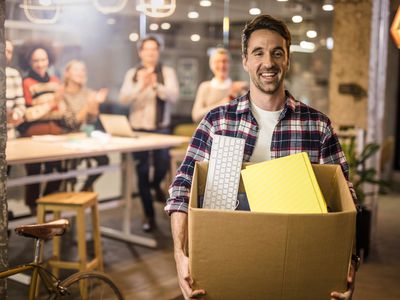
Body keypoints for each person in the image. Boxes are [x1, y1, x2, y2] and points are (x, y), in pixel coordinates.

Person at [165, 15, 358, 300]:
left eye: (277, 53)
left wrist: (348, 263)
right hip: (226, 263)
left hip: (298, 266)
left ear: (288, 59)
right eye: (258, 52)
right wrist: (180, 255)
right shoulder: (217, 122)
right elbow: (182, 189)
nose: (268, 63)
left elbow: (345, 199)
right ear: (245, 60)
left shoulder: (317, 126)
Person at [119, 36, 179, 232]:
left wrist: (155, 86)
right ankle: (149, 216)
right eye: (147, 49)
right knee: (142, 172)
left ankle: (156, 185)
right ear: (140, 52)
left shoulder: (167, 72)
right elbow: (123, 99)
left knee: (162, 164)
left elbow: (174, 96)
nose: (150, 53)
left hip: (161, 128)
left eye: (154, 49)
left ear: (158, 52)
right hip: (138, 130)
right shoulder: (132, 73)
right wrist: (140, 86)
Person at [18, 41, 74, 214]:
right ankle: (33, 208)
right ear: (29, 61)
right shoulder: (26, 82)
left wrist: (63, 108)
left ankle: (46, 204)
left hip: (55, 133)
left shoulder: (56, 81)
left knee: (58, 171)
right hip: (33, 134)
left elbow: (59, 110)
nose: (40, 63)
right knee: (34, 173)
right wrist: (51, 104)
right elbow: (27, 113)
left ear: (49, 60)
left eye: (44, 59)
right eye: (36, 60)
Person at [62, 59, 110, 192]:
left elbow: (92, 119)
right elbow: (73, 122)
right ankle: (68, 197)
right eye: (76, 70)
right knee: (68, 170)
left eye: (83, 70)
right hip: (67, 139)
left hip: (85, 138)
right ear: (67, 73)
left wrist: (95, 104)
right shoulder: (62, 94)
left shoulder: (89, 93)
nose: (80, 73)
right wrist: (89, 104)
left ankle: (83, 190)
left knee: (104, 161)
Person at [191, 47, 248, 122]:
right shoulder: (205, 87)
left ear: (230, 64)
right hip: (209, 132)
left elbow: (246, 115)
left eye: (225, 61)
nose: (221, 65)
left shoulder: (238, 88)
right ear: (211, 65)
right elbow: (196, 116)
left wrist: (247, 89)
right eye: (217, 61)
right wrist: (225, 101)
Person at [5, 40, 25, 139]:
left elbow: (20, 104)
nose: (5, 54)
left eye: (9, 51)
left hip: (9, 134)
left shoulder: (14, 74)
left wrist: (15, 116)